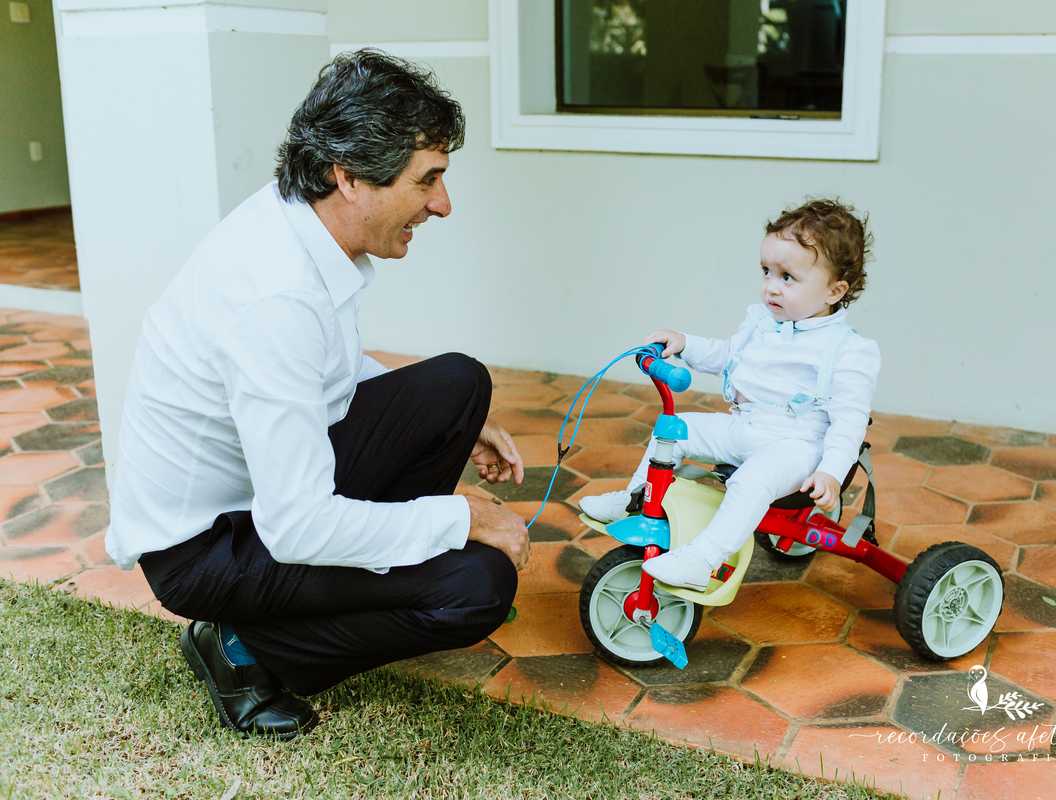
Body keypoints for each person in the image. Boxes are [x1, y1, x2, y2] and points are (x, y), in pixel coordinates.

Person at [103, 50, 530, 740]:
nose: (442, 205)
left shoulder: (297, 220)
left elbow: (317, 364)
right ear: (349, 177)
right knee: (474, 586)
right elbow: (297, 527)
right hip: (208, 549)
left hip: (257, 505)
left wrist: (436, 434)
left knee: (457, 386)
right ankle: (241, 649)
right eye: (429, 180)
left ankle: (349, 584)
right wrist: (456, 518)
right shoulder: (276, 293)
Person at [579, 199, 880, 591]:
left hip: (797, 447)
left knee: (751, 482)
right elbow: (728, 356)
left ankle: (704, 559)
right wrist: (685, 344)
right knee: (676, 429)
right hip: (746, 427)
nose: (771, 285)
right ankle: (634, 497)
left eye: (788, 277)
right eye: (767, 271)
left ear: (834, 290)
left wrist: (831, 473)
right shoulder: (762, 320)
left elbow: (850, 422)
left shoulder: (848, 350)